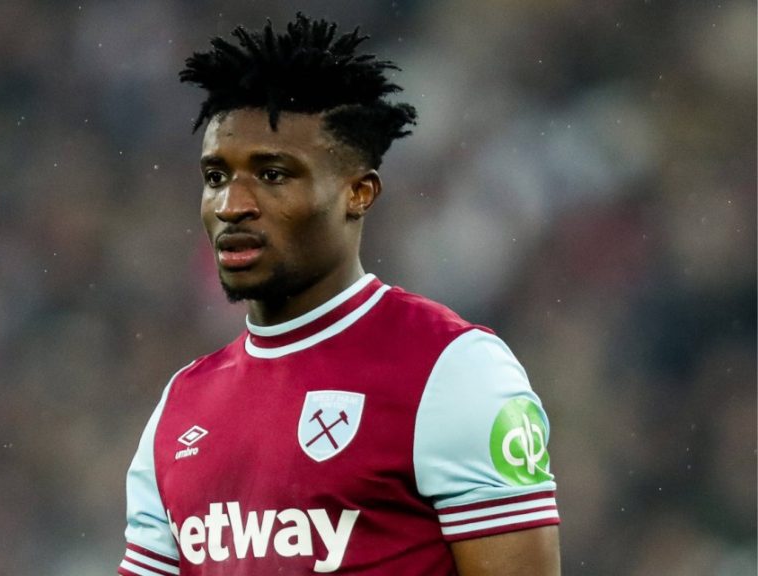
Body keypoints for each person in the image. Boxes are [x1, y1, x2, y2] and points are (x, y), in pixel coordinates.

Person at [118, 14, 560, 576]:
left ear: (358, 193)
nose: (232, 205)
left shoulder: (453, 371)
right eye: (216, 177)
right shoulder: (179, 409)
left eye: (273, 175)